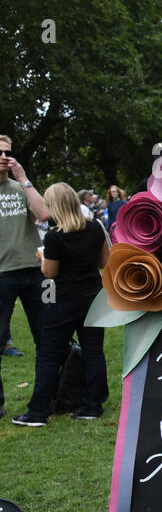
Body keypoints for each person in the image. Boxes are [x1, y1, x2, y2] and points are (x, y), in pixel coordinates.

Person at [10, 183, 109, 426]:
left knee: (49, 355)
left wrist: (43, 258)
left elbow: (50, 273)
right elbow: (105, 261)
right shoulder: (95, 228)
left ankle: (38, 411)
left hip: (63, 300)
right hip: (93, 298)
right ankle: (92, 405)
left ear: (54, 205)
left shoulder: (54, 236)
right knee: (94, 351)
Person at [0, 135, 52, 419]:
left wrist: (24, 177)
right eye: (0, 152)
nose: (4, 156)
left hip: (35, 272)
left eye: (8, 151)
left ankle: (45, 402)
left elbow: (44, 213)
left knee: (46, 338)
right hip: (1, 273)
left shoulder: (20, 187)